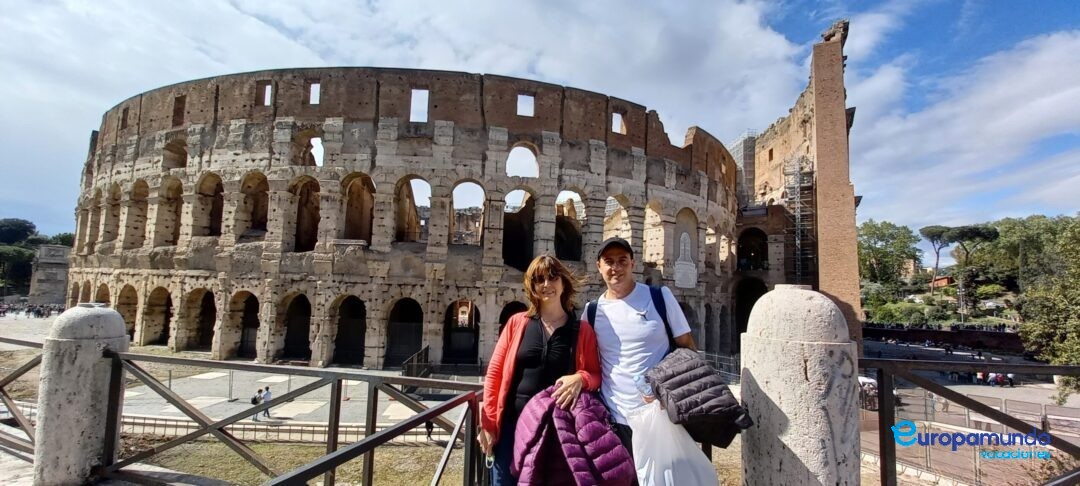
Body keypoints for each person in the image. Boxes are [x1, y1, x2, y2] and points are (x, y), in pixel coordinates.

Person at [477, 254, 601, 486]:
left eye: (553, 277)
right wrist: (489, 424)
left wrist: (580, 378)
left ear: (563, 282)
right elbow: (494, 374)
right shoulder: (517, 323)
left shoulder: (581, 330)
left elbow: (595, 375)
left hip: (556, 431)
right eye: (539, 279)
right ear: (532, 286)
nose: (546, 284)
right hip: (512, 426)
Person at [586, 237, 695, 459]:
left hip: (661, 415)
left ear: (632, 263)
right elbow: (588, 364)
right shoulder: (592, 311)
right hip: (615, 419)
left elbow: (688, 348)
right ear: (599, 266)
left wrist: (668, 389)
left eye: (622, 261)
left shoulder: (659, 297)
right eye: (609, 261)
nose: (616, 268)